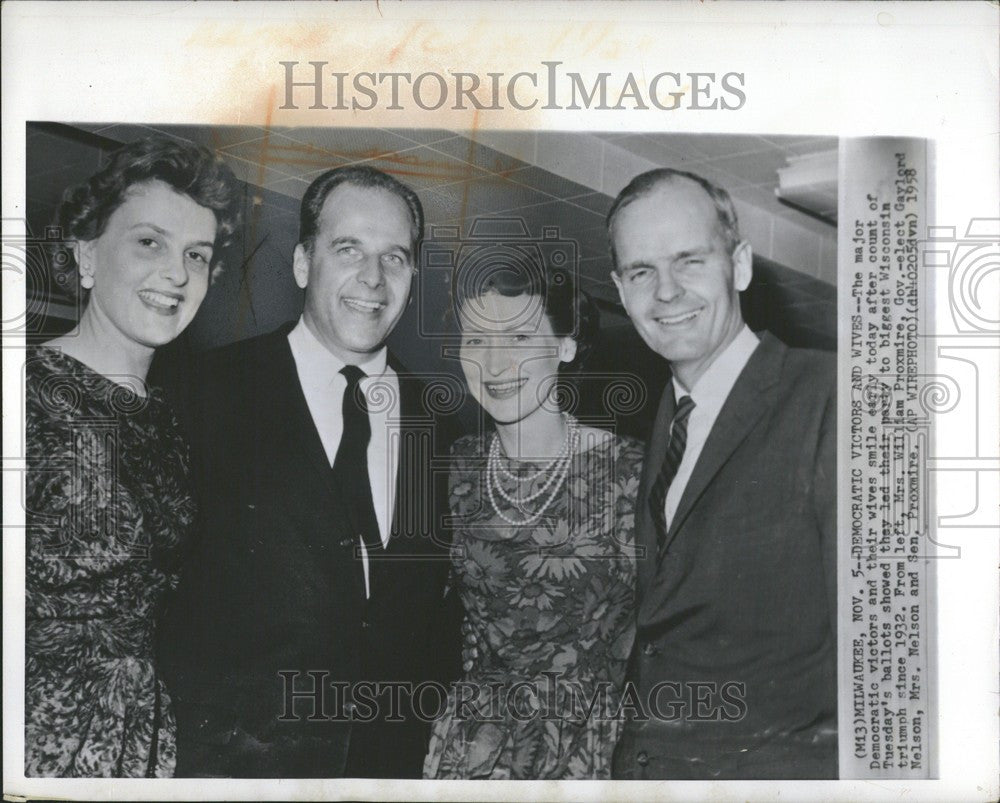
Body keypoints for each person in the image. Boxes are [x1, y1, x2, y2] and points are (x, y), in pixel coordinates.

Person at [157, 165, 462, 778]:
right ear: (302, 263)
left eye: (395, 258)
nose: (372, 279)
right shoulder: (202, 395)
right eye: (348, 249)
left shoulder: (449, 427)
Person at [606, 168, 837, 780]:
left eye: (689, 261)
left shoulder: (831, 396)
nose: (666, 293)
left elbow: (888, 659)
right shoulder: (664, 422)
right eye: (641, 272)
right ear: (620, 289)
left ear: (739, 265)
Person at [24, 137, 242, 777]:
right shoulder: (24, 396)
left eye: (195, 255)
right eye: (150, 242)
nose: (177, 273)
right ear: (87, 253)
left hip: (143, 739)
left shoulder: (170, 420)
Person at [423, 255, 644, 780]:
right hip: (472, 751)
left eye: (519, 338)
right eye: (476, 341)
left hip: (594, 751)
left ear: (565, 346)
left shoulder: (633, 471)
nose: (494, 366)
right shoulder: (451, 466)